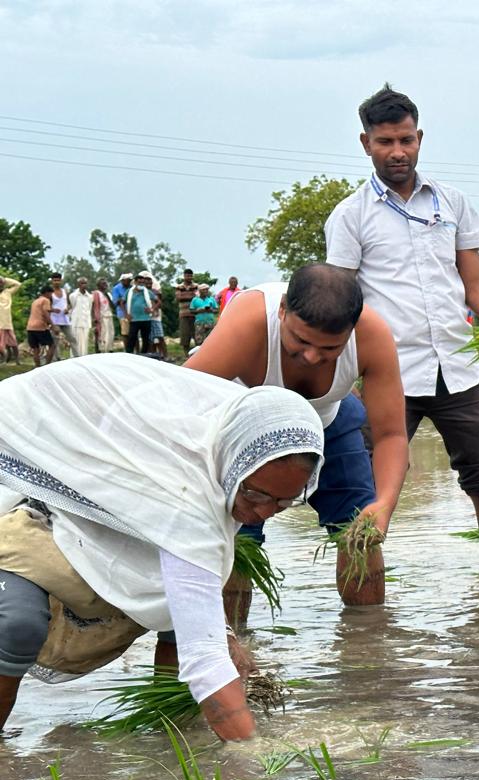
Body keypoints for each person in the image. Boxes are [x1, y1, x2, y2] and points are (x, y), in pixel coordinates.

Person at [0, 353, 324, 741]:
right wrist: (252, 755)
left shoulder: (214, 458)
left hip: (109, 526)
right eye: (255, 495)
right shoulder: (187, 498)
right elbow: (205, 661)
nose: (265, 512)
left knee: (179, 609)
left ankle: (171, 734)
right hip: (35, 510)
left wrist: (221, 634)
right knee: (17, 624)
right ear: (236, 463)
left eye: (284, 502)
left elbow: (194, 599)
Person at [325, 84, 479, 556]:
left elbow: (476, 289)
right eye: (385, 142)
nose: (397, 151)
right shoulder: (350, 216)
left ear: (419, 138)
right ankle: (364, 591)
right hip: (388, 375)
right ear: (366, 144)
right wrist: (344, 378)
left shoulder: (452, 203)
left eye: (406, 140)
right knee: (370, 493)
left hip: (458, 369)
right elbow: (339, 305)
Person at [185, 263, 408, 609]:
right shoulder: (249, 322)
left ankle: (369, 635)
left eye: (329, 349)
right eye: (301, 340)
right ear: (282, 310)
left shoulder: (372, 335)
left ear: (351, 332)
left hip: (328, 420)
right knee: (236, 543)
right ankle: (231, 637)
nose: (312, 357)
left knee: (359, 531)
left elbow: (391, 435)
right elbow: (179, 407)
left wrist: (385, 504)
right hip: (243, 428)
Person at [123, 274, 157, 355]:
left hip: (146, 318)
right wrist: (126, 314)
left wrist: (152, 309)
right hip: (134, 319)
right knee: (132, 337)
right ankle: (129, 354)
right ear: (135, 282)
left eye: (142, 283)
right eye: (139, 282)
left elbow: (157, 301)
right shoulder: (129, 292)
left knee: (146, 338)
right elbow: (122, 302)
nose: (141, 284)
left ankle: (144, 354)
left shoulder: (147, 292)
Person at [25, 285, 56, 367]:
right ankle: (47, 365)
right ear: (47, 293)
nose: (51, 296)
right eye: (51, 294)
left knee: (36, 349)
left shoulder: (35, 301)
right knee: (52, 345)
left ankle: (37, 367)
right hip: (40, 327)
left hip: (30, 327)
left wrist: (53, 310)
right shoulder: (46, 300)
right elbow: (45, 313)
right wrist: (52, 325)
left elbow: (39, 312)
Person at [67, 276, 94, 358]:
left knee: (84, 342)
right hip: (76, 322)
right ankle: (74, 358)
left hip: (85, 322)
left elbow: (89, 308)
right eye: (82, 283)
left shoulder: (90, 297)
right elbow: (72, 307)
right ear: (78, 284)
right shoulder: (73, 296)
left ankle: (83, 357)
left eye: (85, 283)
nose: (84, 285)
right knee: (75, 341)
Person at [140, 271, 166, 354]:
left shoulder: (155, 292)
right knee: (150, 339)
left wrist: (153, 309)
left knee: (160, 336)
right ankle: (152, 355)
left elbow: (160, 303)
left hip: (155, 317)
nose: (149, 283)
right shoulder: (141, 293)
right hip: (145, 318)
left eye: (150, 281)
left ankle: (164, 355)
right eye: (146, 282)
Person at [175, 267, 199, 353]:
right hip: (183, 314)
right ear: (184, 276)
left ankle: (197, 355)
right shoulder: (179, 287)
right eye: (187, 276)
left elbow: (197, 298)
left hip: (195, 314)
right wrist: (191, 296)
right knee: (185, 335)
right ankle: (186, 354)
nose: (189, 277)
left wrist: (185, 296)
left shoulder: (196, 286)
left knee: (197, 336)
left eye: (190, 276)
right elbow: (178, 298)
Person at [48, 272, 70, 360]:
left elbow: (69, 304)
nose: (56, 282)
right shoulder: (50, 293)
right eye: (55, 280)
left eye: (58, 280)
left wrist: (67, 309)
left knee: (72, 338)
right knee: (55, 341)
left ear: (61, 281)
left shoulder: (64, 291)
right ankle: (57, 358)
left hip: (65, 319)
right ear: (52, 281)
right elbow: (46, 306)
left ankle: (77, 356)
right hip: (54, 320)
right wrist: (53, 310)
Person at [0, 275, 20, 363]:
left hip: (7, 323)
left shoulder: (7, 292)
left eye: (1, 283)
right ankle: (4, 359)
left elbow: (18, 284)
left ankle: (17, 360)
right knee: (1, 345)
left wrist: (4, 279)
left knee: (13, 343)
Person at [92, 278, 115, 353]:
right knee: (102, 335)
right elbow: (94, 306)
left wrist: (107, 296)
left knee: (110, 334)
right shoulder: (96, 293)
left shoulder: (107, 294)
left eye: (106, 284)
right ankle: (101, 351)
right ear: (98, 285)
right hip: (101, 317)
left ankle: (109, 350)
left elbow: (113, 306)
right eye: (103, 284)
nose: (105, 285)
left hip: (109, 316)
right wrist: (95, 318)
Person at [112, 273, 132, 349]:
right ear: (123, 280)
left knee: (133, 333)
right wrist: (123, 299)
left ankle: (136, 351)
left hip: (132, 313)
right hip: (122, 313)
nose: (129, 282)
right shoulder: (116, 288)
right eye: (127, 280)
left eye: (130, 280)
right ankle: (127, 350)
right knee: (125, 333)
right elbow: (116, 301)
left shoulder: (131, 288)